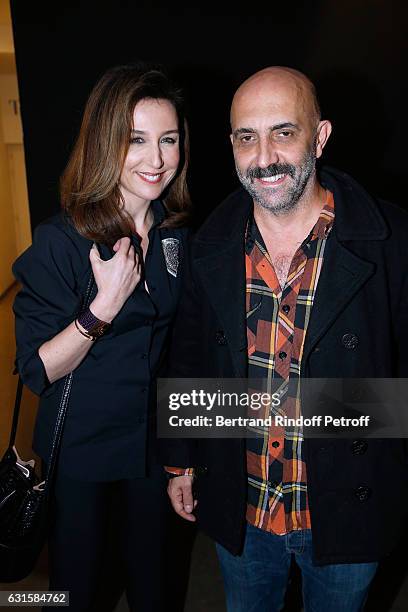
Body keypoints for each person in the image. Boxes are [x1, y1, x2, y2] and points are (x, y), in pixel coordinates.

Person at [163, 66, 408, 611]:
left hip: (347, 507)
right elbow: (189, 356)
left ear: (319, 137)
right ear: (230, 144)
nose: (264, 156)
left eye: (283, 132)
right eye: (246, 136)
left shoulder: (391, 240)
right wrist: (180, 460)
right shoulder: (210, 245)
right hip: (244, 506)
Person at [13, 63, 191, 612]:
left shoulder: (175, 234)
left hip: (149, 449)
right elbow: (38, 370)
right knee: (78, 594)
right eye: (136, 140)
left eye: (169, 140)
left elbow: (178, 351)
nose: (156, 159)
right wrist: (102, 307)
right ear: (104, 142)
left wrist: (183, 458)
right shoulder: (61, 241)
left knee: (155, 587)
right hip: (83, 457)